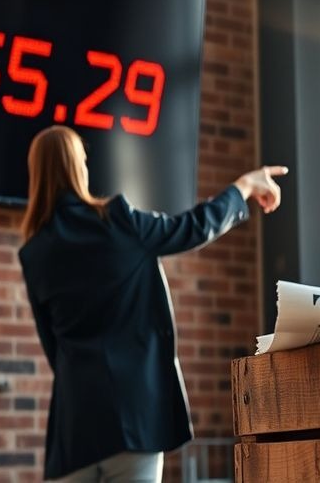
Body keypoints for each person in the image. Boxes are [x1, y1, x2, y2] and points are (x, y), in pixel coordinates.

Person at [17, 125, 286, 483]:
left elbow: (52, 347)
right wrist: (244, 187)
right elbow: (193, 227)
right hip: (135, 416)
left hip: (74, 427)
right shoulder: (118, 222)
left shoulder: (33, 254)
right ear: (77, 167)